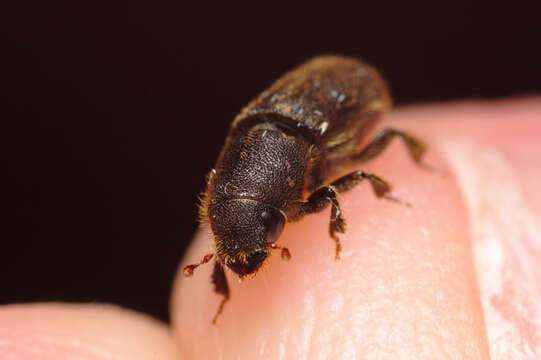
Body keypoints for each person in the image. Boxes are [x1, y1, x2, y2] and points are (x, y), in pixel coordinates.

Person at [2, 97, 540, 359]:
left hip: (339, 100)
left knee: (374, 160)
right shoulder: (242, 189)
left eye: (249, 234)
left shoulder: (311, 171)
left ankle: (411, 178)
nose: (240, 255)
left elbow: (333, 186)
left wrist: (336, 233)